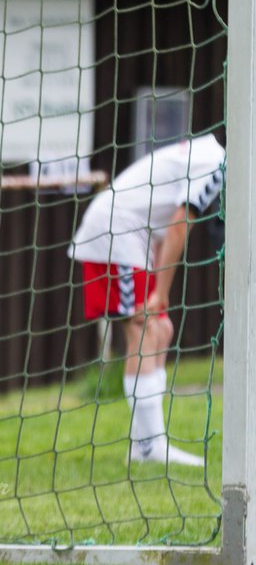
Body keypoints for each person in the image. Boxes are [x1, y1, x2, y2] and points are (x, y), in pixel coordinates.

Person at [68, 133, 225, 467]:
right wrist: (161, 291)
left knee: (160, 329)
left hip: (132, 235)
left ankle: (146, 445)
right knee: (144, 328)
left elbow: (158, 211)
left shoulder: (206, 154)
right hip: (117, 232)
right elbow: (179, 226)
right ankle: (150, 446)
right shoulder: (216, 166)